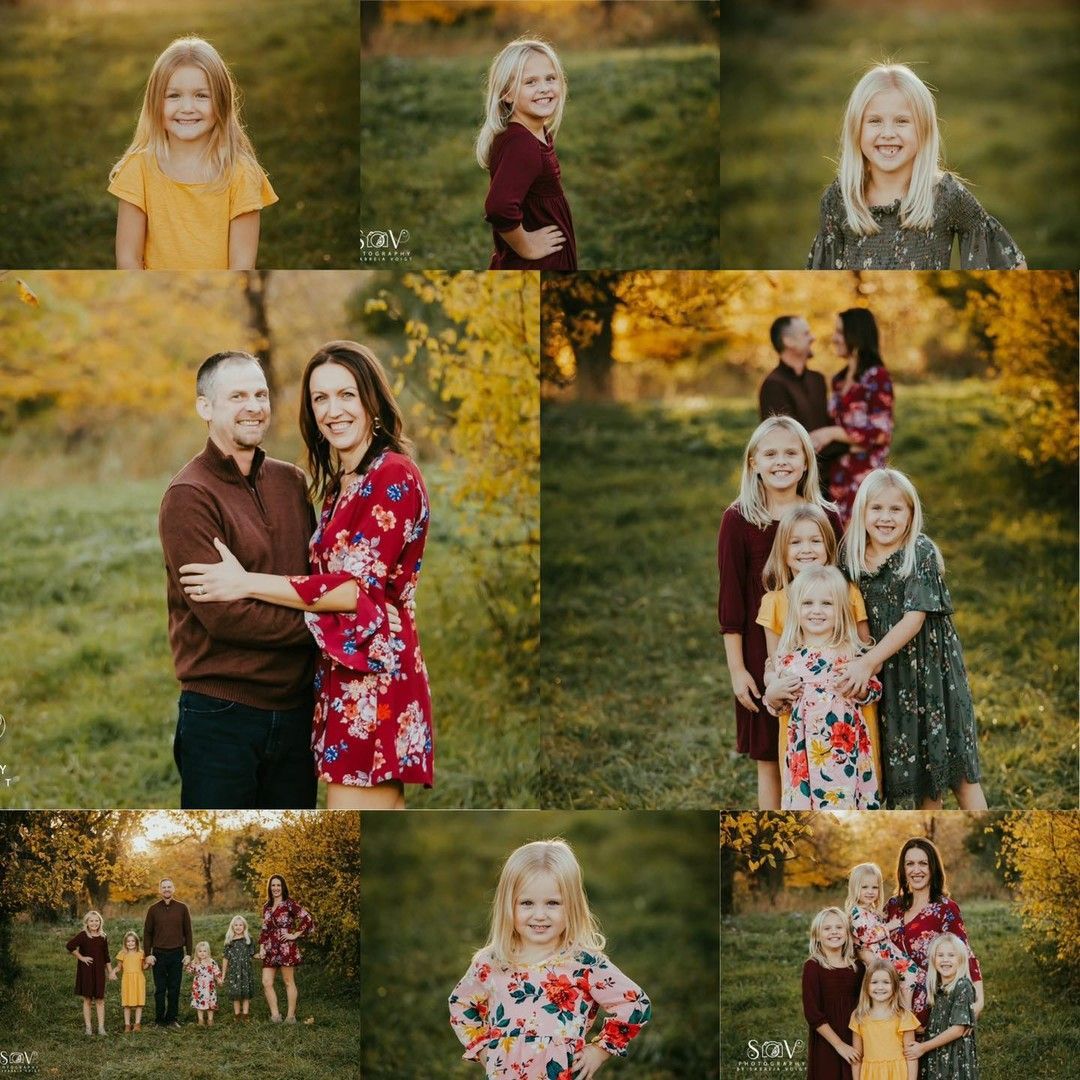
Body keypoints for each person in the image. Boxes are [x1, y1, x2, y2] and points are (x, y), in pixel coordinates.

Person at [179, 341, 433, 810]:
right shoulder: (342, 485)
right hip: (330, 678)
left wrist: (246, 582)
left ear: (372, 400)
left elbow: (353, 590)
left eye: (347, 395)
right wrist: (353, 619)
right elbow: (344, 597)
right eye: (320, 399)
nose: (333, 410)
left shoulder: (391, 475)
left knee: (355, 816)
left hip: (369, 680)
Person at [158, 350, 318, 810]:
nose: (254, 406)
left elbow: (315, 583)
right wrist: (323, 627)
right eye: (237, 396)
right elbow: (227, 619)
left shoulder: (292, 483)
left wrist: (313, 605)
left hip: (296, 713)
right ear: (205, 408)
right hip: (221, 715)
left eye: (261, 394)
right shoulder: (189, 496)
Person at [838, 469, 987, 809]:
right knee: (920, 778)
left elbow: (914, 619)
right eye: (876, 509)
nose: (886, 518)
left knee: (957, 770)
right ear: (862, 511)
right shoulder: (850, 554)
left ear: (911, 514)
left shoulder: (919, 552)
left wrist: (868, 661)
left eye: (896, 510)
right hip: (888, 677)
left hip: (932, 676)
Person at [717, 416, 842, 809]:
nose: (781, 461)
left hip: (824, 651)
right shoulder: (738, 520)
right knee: (772, 758)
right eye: (770, 453)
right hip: (763, 657)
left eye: (791, 452)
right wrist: (739, 672)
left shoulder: (827, 517)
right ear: (753, 462)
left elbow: (843, 589)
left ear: (807, 461)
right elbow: (731, 604)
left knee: (822, 752)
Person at [449, 839, 651, 1080]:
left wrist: (599, 1050)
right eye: (526, 903)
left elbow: (635, 1004)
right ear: (508, 905)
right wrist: (481, 1049)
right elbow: (461, 1003)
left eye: (553, 903)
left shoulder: (584, 963)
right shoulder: (491, 962)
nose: (540, 915)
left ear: (572, 906)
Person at [807, 64, 1025, 270]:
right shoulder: (841, 198)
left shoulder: (945, 196)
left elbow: (1009, 264)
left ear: (923, 130)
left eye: (902, 121)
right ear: (856, 128)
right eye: (875, 121)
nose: (888, 133)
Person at [108, 37, 277, 269]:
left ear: (222, 102)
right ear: (155, 103)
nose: (187, 108)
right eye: (174, 95)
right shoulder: (138, 169)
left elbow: (242, 266)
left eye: (201, 95)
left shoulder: (241, 174)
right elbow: (128, 260)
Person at [756, 504, 882, 784]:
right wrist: (772, 686)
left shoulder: (847, 592)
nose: (806, 549)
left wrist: (858, 678)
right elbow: (774, 662)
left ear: (828, 546)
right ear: (783, 550)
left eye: (816, 540)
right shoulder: (775, 602)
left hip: (848, 718)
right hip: (800, 725)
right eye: (796, 541)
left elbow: (867, 655)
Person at [768, 567, 882, 810]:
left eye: (827, 604)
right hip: (804, 752)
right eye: (808, 603)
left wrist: (859, 688)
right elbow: (780, 707)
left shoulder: (851, 653)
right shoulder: (788, 658)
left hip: (844, 750)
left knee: (843, 801)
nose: (816, 610)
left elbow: (874, 690)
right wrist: (773, 695)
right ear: (796, 609)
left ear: (840, 609)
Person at [478, 38, 576, 270]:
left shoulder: (534, 133)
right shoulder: (523, 144)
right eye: (530, 82)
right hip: (538, 263)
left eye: (550, 78)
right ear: (507, 94)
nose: (544, 88)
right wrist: (527, 246)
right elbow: (499, 207)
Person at [882, 838, 984, 1030]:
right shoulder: (893, 907)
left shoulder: (945, 908)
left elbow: (965, 954)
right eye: (910, 864)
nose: (916, 870)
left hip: (932, 1007)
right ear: (903, 870)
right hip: (891, 1003)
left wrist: (979, 1003)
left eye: (923, 863)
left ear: (933, 868)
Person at [812, 310, 894, 527]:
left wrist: (832, 433)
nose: (834, 337)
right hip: (837, 476)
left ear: (855, 334)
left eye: (840, 331)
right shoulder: (839, 380)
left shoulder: (877, 377)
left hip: (865, 477)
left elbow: (880, 432)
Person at [759, 316, 847, 489]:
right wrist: (846, 444)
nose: (813, 338)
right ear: (788, 341)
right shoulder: (774, 385)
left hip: (827, 483)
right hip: (795, 488)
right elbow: (788, 442)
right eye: (806, 333)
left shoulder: (818, 380)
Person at [905, 934, 979, 1080]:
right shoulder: (939, 988)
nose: (945, 959)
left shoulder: (962, 986)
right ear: (933, 960)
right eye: (940, 955)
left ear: (961, 959)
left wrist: (923, 1047)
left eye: (951, 955)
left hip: (955, 1058)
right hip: (937, 1056)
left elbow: (958, 1029)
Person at [802, 907, 863, 1080]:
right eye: (827, 928)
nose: (834, 932)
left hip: (855, 1035)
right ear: (817, 935)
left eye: (839, 927)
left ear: (847, 932)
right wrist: (839, 1045)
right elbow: (813, 1014)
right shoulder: (813, 967)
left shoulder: (858, 967)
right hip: (827, 1041)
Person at [845, 864, 917, 1009]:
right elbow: (866, 935)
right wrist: (889, 926)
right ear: (854, 888)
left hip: (886, 954)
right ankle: (905, 1010)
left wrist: (881, 919)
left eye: (875, 887)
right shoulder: (856, 912)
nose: (870, 892)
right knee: (907, 974)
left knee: (911, 972)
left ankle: (905, 1009)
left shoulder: (870, 910)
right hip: (877, 957)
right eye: (865, 887)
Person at [847, 960, 919, 1080]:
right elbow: (857, 1058)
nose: (880, 987)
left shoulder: (904, 1016)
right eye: (874, 982)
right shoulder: (858, 1016)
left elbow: (911, 1057)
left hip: (898, 1075)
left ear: (895, 985)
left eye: (886, 982)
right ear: (866, 985)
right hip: (870, 1075)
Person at [258, 875, 314, 1024]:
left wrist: (294, 934)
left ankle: (290, 1017)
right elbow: (264, 929)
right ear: (269, 888)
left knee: (288, 981)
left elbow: (307, 919)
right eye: (273, 885)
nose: (275, 888)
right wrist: (262, 947)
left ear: (283, 887)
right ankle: (275, 1016)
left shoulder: (289, 904)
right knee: (266, 982)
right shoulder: (266, 906)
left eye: (278, 885)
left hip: (285, 947)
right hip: (270, 947)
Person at [143, 878, 194, 1029]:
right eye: (163, 887)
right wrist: (148, 954)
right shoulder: (153, 909)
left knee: (174, 988)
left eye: (169, 887)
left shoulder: (182, 908)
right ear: (160, 890)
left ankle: (172, 1019)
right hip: (158, 955)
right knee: (159, 989)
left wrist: (188, 954)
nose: (166, 889)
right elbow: (147, 933)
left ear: (174, 888)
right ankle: (159, 1020)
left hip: (177, 954)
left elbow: (188, 932)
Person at [66, 910, 114, 1037]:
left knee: (100, 999)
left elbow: (106, 956)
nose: (94, 923)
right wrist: (81, 957)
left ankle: (101, 1028)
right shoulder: (83, 935)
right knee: (87, 999)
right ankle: (88, 1028)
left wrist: (110, 972)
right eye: (91, 921)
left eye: (96, 920)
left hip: (99, 971)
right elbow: (70, 946)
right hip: (86, 971)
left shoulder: (103, 936)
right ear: (87, 922)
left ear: (100, 922)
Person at [221, 915, 259, 1021]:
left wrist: (260, 955)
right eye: (236, 925)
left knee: (246, 994)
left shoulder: (248, 939)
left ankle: (245, 1014)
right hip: (234, 971)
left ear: (244, 926)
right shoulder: (229, 941)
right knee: (236, 993)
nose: (238, 927)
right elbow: (225, 958)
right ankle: (237, 1015)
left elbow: (253, 954)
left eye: (240, 925)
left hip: (246, 971)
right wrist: (223, 974)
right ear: (232, 927)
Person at [115, 930, 149, 1033]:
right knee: (127, 1004)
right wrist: (113, 972)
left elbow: (144, 967)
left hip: (139, 979)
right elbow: (118, 967)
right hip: (127, 980)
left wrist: (150, 962)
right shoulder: (122, 954)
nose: (130, 943)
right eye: (128, 941)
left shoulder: (141, 953)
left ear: (137, 942)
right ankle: (127, 1025)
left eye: (133, 941)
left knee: (139, 1003)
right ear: (125, 943)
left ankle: (137, 1024)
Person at [186, 941, 223, 1026]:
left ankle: (210, 1019)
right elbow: (189, 970)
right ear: (197, 953)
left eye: (204, 951)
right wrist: (187, 965)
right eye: (200, 951)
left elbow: (217, 972)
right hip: (199, 987)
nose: (202, 953)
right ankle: (201, 1020)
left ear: (208, 952)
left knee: (210, 1003)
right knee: (199, 1003)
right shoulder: (195, 962)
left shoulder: (211, 962)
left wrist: (219, 980)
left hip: (209, 987)